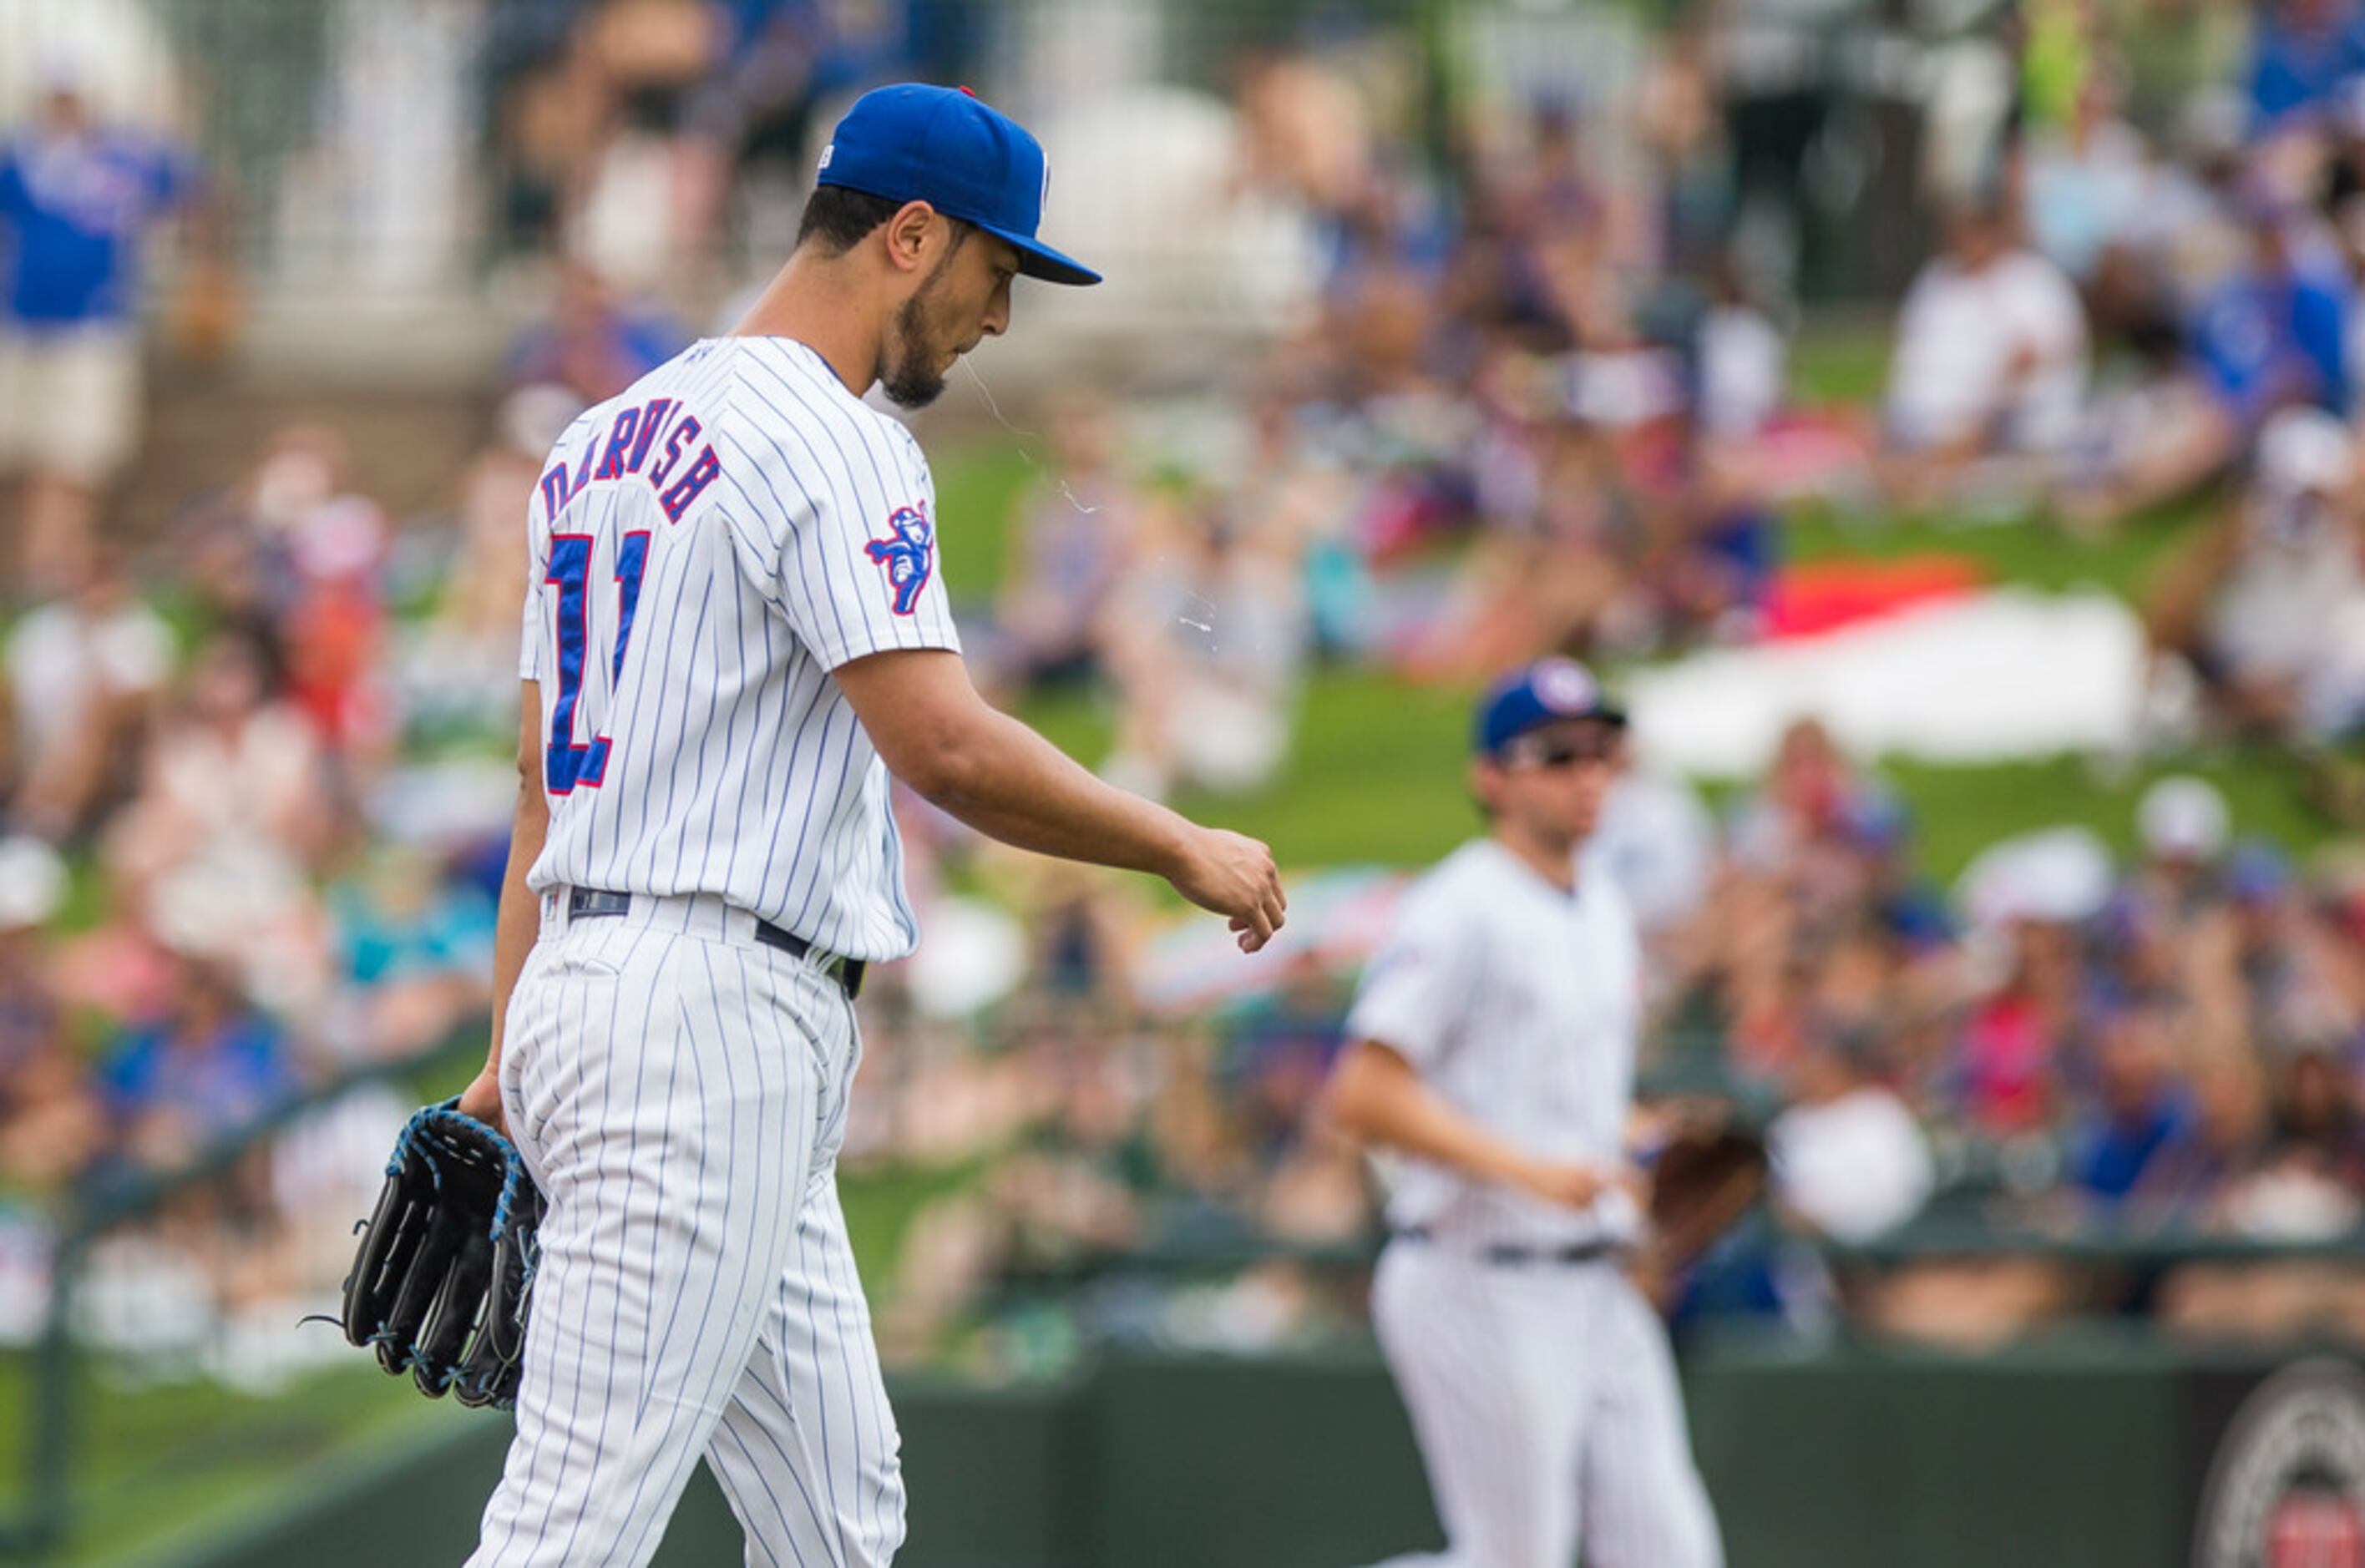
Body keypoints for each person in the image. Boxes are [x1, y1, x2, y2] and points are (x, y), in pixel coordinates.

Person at [452, 83, 1285, 1566]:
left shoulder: (601, 438)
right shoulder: (832, 441)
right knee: (570, 1523)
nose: (999, 319)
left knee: (838, 1520)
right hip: (705, 1020)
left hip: (626, 989)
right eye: (996, 269)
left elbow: (537, 784)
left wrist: (518, 1044)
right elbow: (946, 746)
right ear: (912, 236)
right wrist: (1175, 841)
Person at [1321, 656, 1722, 1568]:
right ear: (1491, 776)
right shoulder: (1460, 907)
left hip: (1595, 1279)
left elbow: (1558, 1099)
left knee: (1672, 1554)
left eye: (1603, 752)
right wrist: (1530, 1169)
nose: (1589, 775)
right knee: (1511, 1561)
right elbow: (1364, 1091)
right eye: (1559, 755)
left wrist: (1643, 1135)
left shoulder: (1603, 905)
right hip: (1475, 1272)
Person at [0, 68, 202, 594]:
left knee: (74, 465)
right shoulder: (19, 161)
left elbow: (187, 187)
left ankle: (47, 577)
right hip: (23, 331)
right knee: (31, 463)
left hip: (92, 334)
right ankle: (36, 574)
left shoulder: (124, 163)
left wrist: (173, 114)